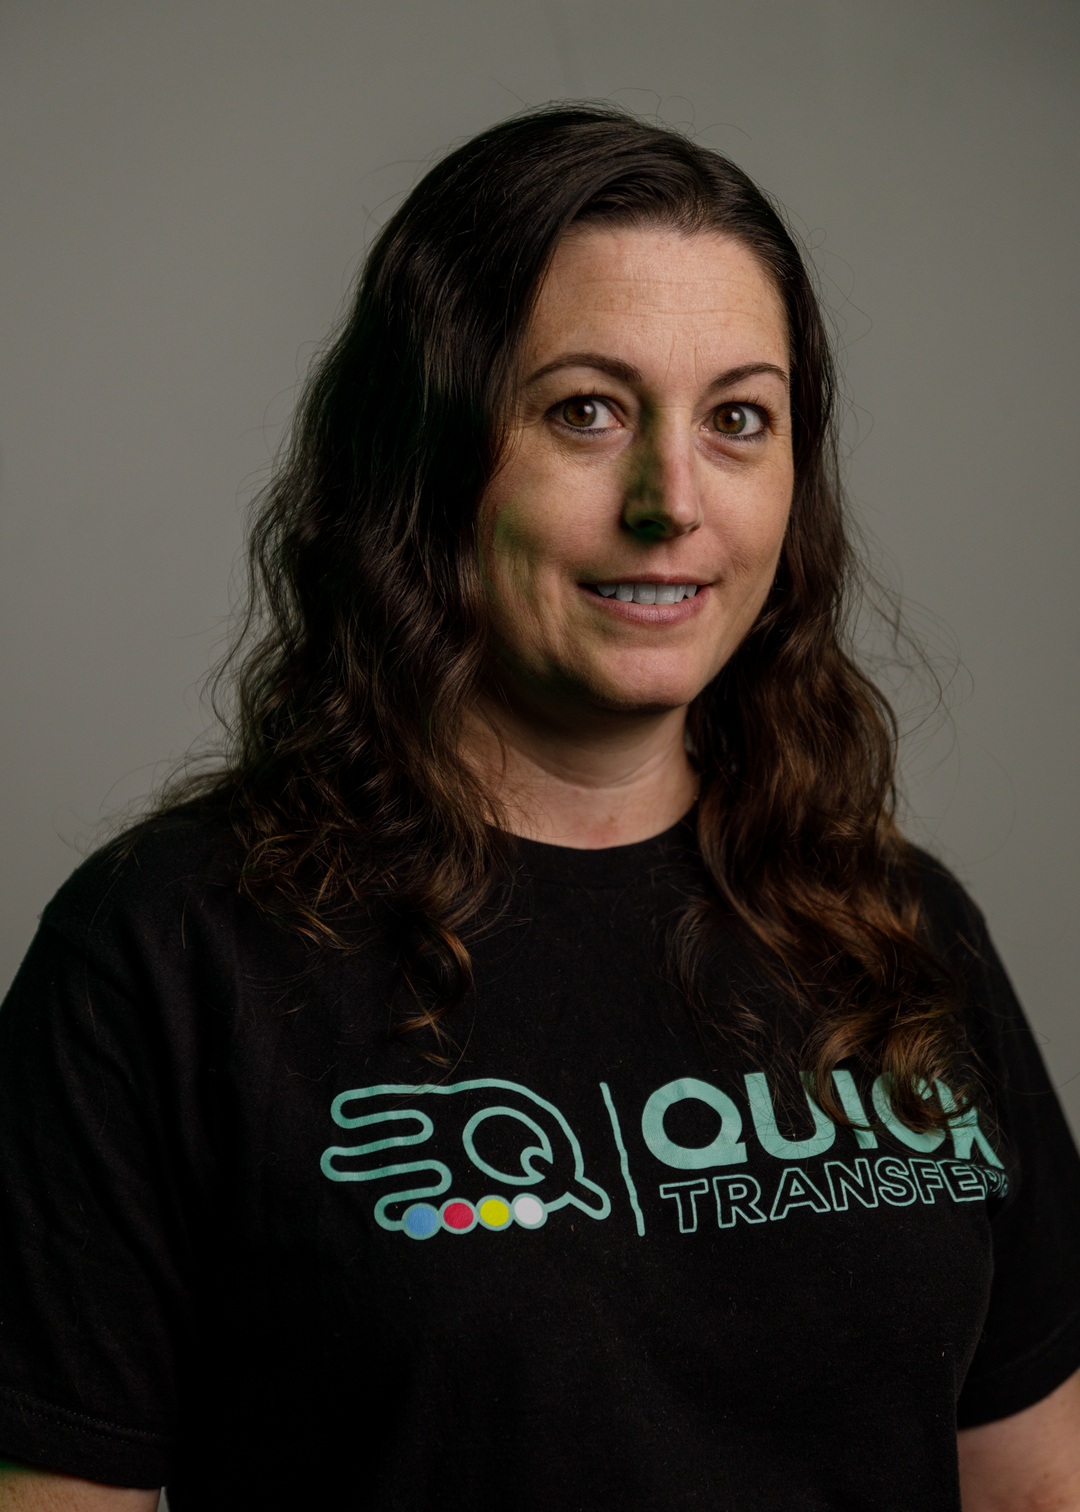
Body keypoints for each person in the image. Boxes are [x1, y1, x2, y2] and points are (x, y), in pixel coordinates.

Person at [0, 104, 1077, 1512]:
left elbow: (1033, 1477)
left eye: (738, 419)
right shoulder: (167, 951)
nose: (672, 501)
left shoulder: (901, 926)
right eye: (587, 411)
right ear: (427, 461)